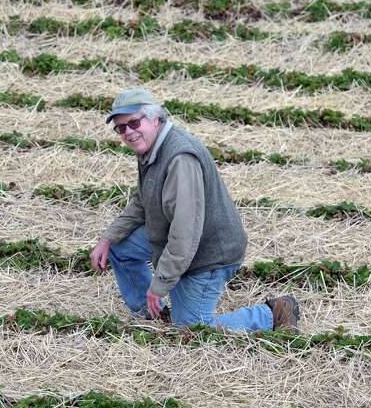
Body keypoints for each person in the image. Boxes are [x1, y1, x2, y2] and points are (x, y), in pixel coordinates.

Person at [89, 88, 300, 332]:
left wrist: (160, 285)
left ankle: (271, 313)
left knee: (192, 327)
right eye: (121, 128)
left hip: (208, 253)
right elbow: (142, 202)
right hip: (175, 238)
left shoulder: (180, 158)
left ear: (156, 118)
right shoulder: (151, 148)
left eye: (134, 123)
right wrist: (108, 238)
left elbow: (185, 234)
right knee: (120, 246)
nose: (128, 132)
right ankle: (153, 314)